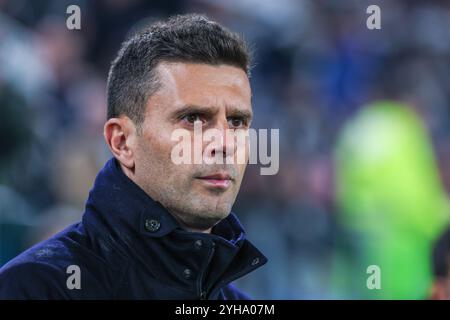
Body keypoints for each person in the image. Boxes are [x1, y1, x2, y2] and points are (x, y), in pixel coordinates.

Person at [0, 14, 267, 299]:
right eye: (192, 118)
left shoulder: (240, 304)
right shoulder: (35, 288)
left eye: (237, 122)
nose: (224, 143)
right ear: (123, 142)